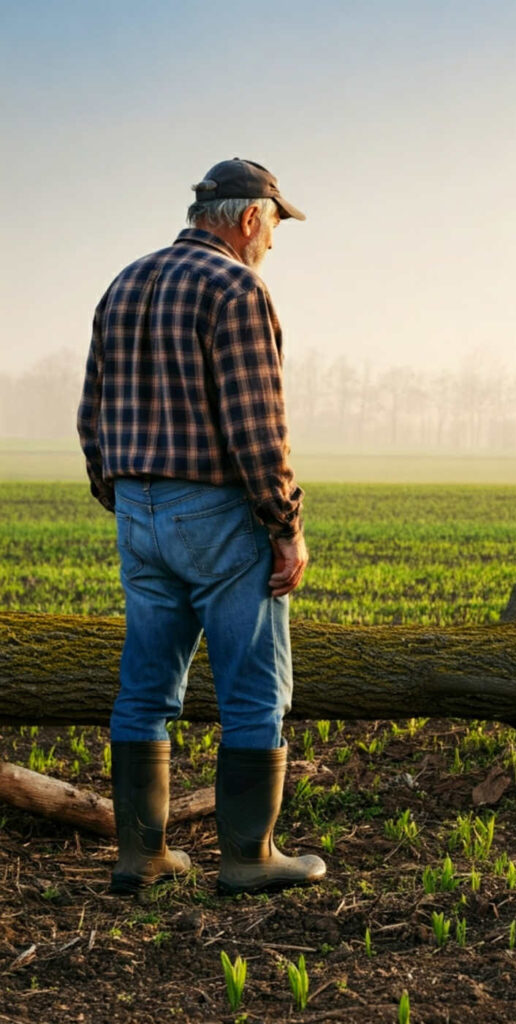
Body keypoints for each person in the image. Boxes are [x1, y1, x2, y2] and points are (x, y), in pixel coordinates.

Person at [77, 158, 326, 895]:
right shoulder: (236, 287)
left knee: (145, 688)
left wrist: (124, 498)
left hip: (136, 507)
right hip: (216, 511)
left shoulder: (124, 281)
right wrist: (286, 525)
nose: (273, 244)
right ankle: (250, 858)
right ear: (251, 218)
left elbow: (92, 414)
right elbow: (259, 427)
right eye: (275, 228)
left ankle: (141, 857)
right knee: (255, 687)